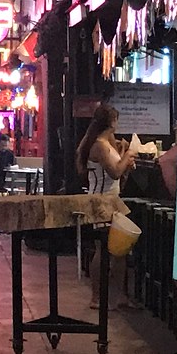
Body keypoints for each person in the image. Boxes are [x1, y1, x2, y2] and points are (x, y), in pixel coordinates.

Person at [75, 104, 138, 310]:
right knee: (103, 249)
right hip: (101, 202)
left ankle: (118, 295)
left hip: (112, 199)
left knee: (120, 251)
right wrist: (128, 156)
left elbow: (119, 175)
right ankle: (96, 297)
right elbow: (114, 173)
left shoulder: (106, 143)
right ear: (111, 122)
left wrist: (124, 157)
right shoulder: (99, 146)